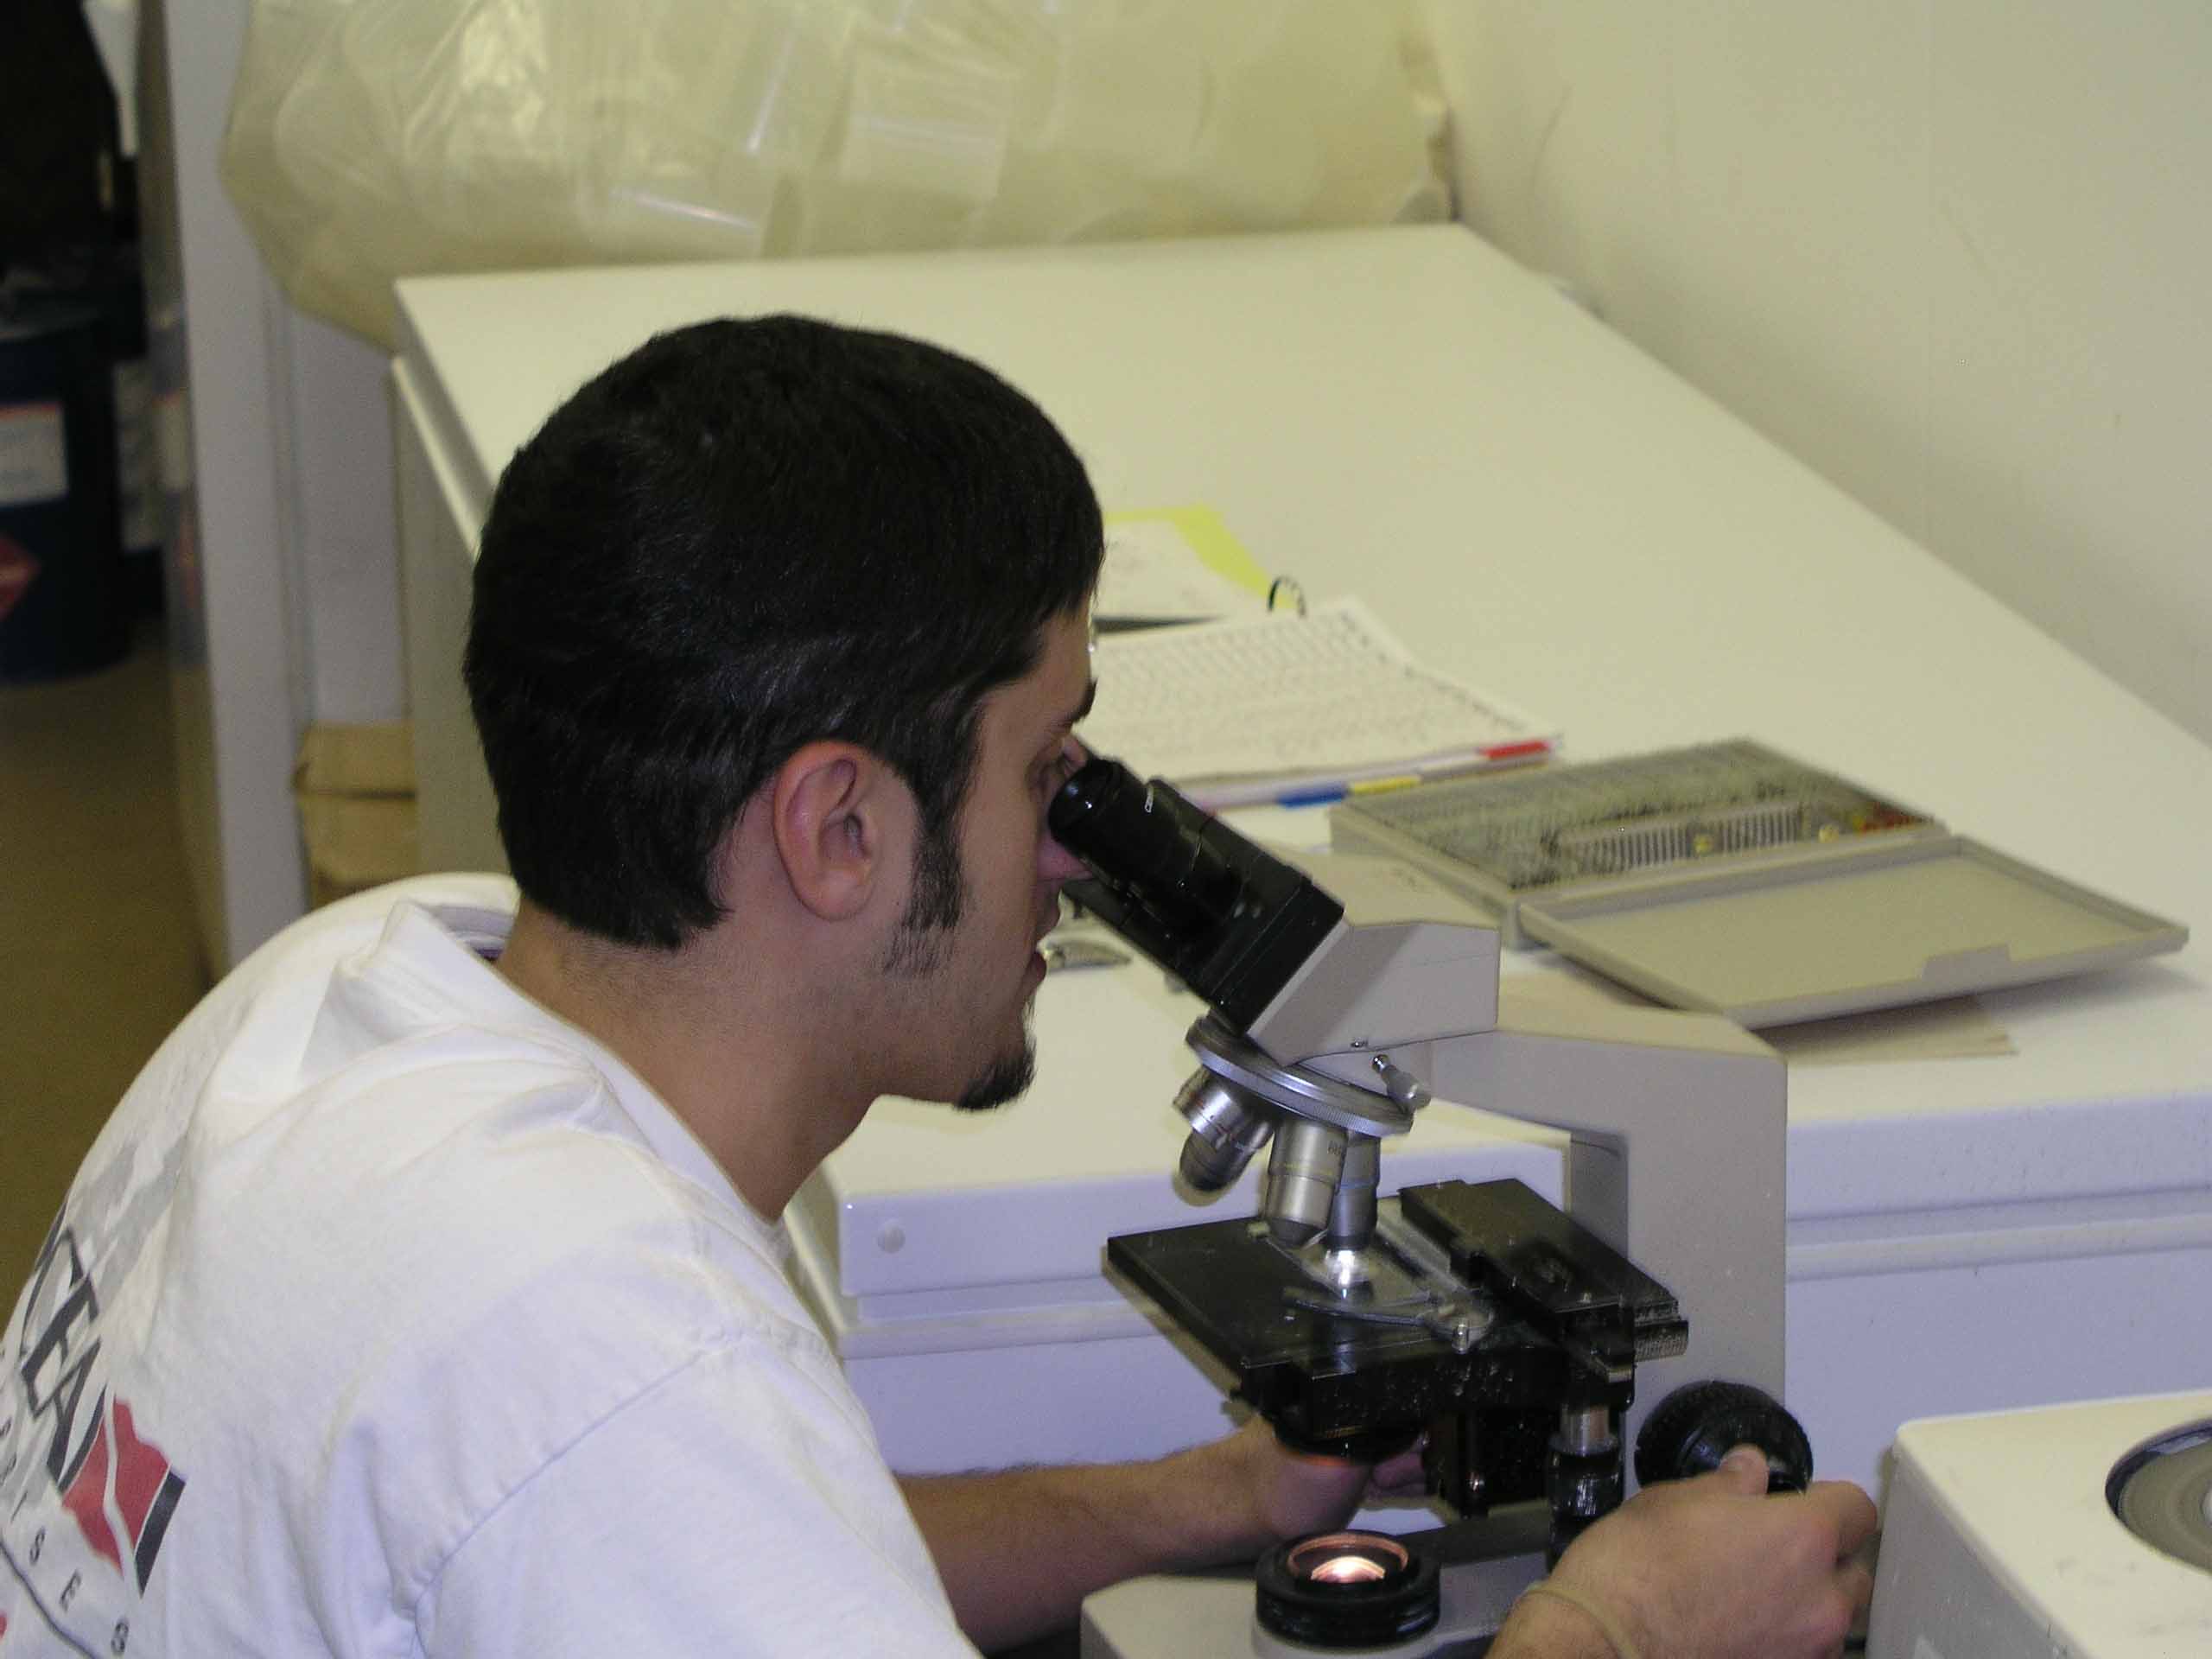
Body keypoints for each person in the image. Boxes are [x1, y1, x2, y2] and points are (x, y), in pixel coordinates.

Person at [1, 316, 1873, 1657]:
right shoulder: (612, 1368)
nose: (1078, 853)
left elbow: (732, 1546)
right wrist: (1618, 1631)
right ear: (837, 830)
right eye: (1050, 770)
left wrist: (1199, 1501)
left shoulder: (353, 980)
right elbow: (650, 1480)